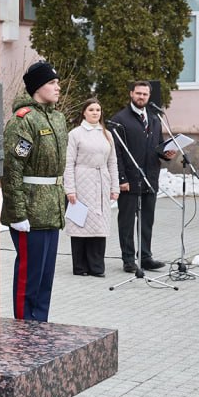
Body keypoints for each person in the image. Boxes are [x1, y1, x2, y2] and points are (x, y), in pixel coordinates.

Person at [0, 61, 68, 322]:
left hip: (51, 207)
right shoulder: (23, 120)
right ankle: (24, 329)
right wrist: (17, 213)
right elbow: (12, 168)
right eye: (52, 83)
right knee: (29, 277)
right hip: (30, 209)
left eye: (57, 82)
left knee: (45, 278)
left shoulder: (57, 118)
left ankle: (40, 327)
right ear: (38, 87)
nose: (57, 87)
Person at [110, 81, 176, 274]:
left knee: (147, 220)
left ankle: (145, 257)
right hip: (130, 181)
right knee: (127, 222)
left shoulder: (155, 119)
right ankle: (128, 259)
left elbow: (158, 146)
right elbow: (117, 153)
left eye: (145, 94)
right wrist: (121, 179)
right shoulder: (120, 119)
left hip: (150, 179)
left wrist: (166, 154)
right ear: (131, 94)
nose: (141, 97)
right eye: (138, 93)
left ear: (149, 96)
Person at [64, 98, 119, 278]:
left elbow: (113, 162)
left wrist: (115, 187)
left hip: (101, 180)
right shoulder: (75, 134)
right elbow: (69, 162)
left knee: (99, 223)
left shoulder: (107, 134)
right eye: (91, 109)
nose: (96, 112)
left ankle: (97, 266)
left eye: (98, 110)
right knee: (81, 222)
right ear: (84, 113)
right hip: (81, 180)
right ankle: (80, 267)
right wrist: (70, 189)